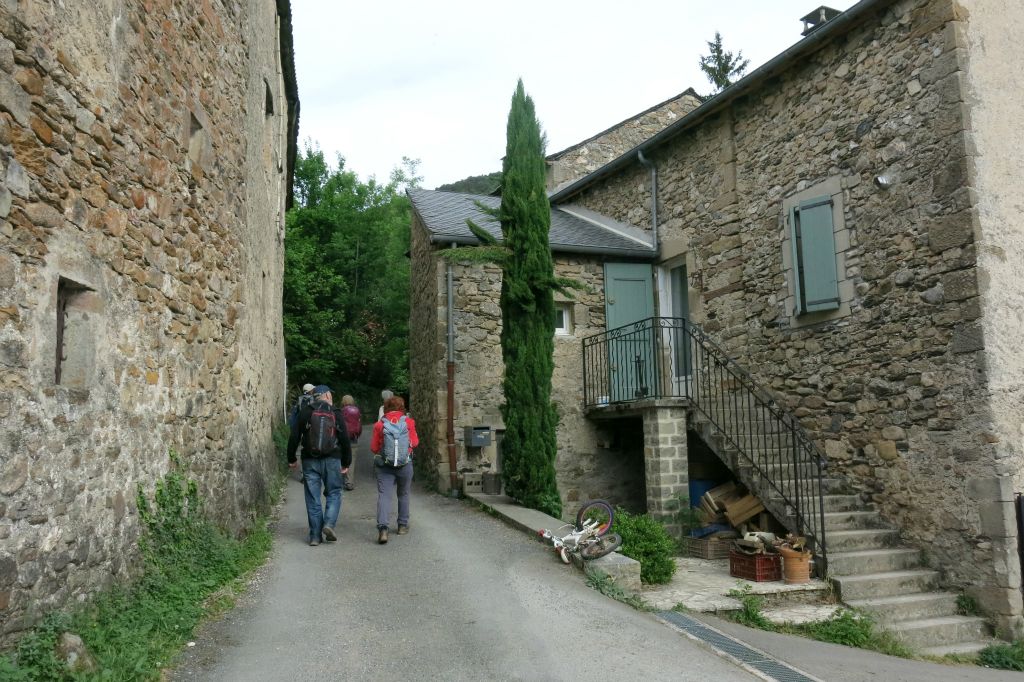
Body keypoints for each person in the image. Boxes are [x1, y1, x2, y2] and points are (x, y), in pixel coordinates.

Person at [286, 385, 352, 546]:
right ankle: (329, 524)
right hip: (332, 459)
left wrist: (292, 457)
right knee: (334, 492)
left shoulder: (306, 411)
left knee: (313, 497)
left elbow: (294, 436)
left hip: (310, 460)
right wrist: (346, 462)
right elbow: (345, 439)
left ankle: (315, 536)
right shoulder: (336, 413)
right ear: (327, 395)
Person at [370, 395, 418, 545]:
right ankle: (402, 526)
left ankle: (383, 529)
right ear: (402, 407)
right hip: (405, 464)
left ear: (386, 408)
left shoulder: (380, 425)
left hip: (385, 466)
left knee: (384, 496)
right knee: (403, 494)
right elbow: (415, 442)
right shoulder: (409, 422)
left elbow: (374, 448)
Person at [340, 394, 362, 491]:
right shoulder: (357, 411)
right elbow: (359, 426)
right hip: (353, 439)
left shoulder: (340, 412)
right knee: (351, 461)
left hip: (342, 440)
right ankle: (349, 482)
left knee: (340, 459)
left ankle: (338, 481)